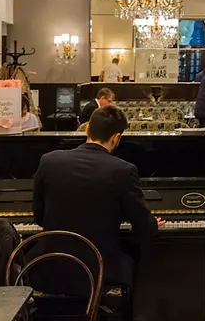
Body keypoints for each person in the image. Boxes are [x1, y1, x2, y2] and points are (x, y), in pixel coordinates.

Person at [32, 105, 157, 291]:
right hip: (97, 272)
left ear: (88, 130)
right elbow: (143, 226)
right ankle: (125, 318)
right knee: (136, 259)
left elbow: (39, 218)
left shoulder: (49, 160)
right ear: (116, 138)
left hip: (49, 267)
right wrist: (152, 222)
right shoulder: (123, 170)